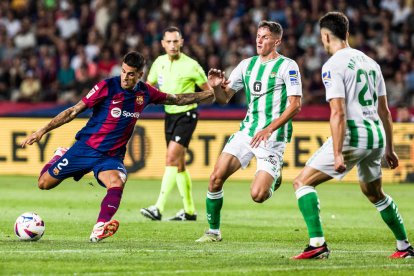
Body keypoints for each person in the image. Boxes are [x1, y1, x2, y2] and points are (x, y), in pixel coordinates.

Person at [20, 51, 213, 242]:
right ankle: (60, 155)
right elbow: (73, 111)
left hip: (111, 157)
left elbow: (177, 99)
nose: (125, 77)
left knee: (117, 182)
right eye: (123, 71)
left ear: (140, 75)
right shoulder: (106, 86)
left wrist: (210, 92)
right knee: (43, 184)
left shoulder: (145, 92)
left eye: (130, 74)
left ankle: (99, 227)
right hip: (86, 148)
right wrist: (41, 131)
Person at [292, 12, 413, 259]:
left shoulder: (332, 66)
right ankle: (404, 246)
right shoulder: (371, 63)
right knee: (374, 193)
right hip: (377, 137)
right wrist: (389, 148)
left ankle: (317, 244)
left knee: (302, 182)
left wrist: (338, 153)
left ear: (325, 36)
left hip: (353, 137)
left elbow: (337, 112)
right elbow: (385, 111)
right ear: (347, 34)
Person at [195, 20, 302, 242]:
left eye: (265, 37)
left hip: (272, 138)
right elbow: (224, 99)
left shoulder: (288, 66)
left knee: (258, 195)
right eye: (257, 36)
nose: (259, 40)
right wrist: (216, 87)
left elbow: (295, 105)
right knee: (215, 177)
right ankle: (213, 232)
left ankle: (275, 177)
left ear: (277, 41)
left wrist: (269, 128)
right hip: (247, 132)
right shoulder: (246, 65)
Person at [140, 27, 211, 221]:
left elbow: (209, 93)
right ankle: (189, 212)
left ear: (181, 42)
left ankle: (158, 208)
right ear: (163, 43)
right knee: (179, 165)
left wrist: (189, 99)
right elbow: (149, 86)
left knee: (171, 158)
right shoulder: (159, 63)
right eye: (168, 42)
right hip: (169, 115)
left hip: (187, 114)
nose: (172, 45)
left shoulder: (192, 66)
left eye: (175, 41)